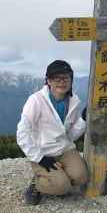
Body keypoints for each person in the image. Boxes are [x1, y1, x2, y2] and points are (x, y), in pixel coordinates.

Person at [17, 60, 88, 205]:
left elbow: (70, 135)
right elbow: (22, 133)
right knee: (62, 186)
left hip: (64, 149)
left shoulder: (74, 101)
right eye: (57, 78)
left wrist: (83, 121)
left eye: (66, 78)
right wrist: (39, 158)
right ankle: (36, 184)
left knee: (81, 177)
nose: (62, 82)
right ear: (48, 81)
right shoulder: (36, 100)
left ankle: (56, 176)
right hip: (43, 152)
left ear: (71, 80)